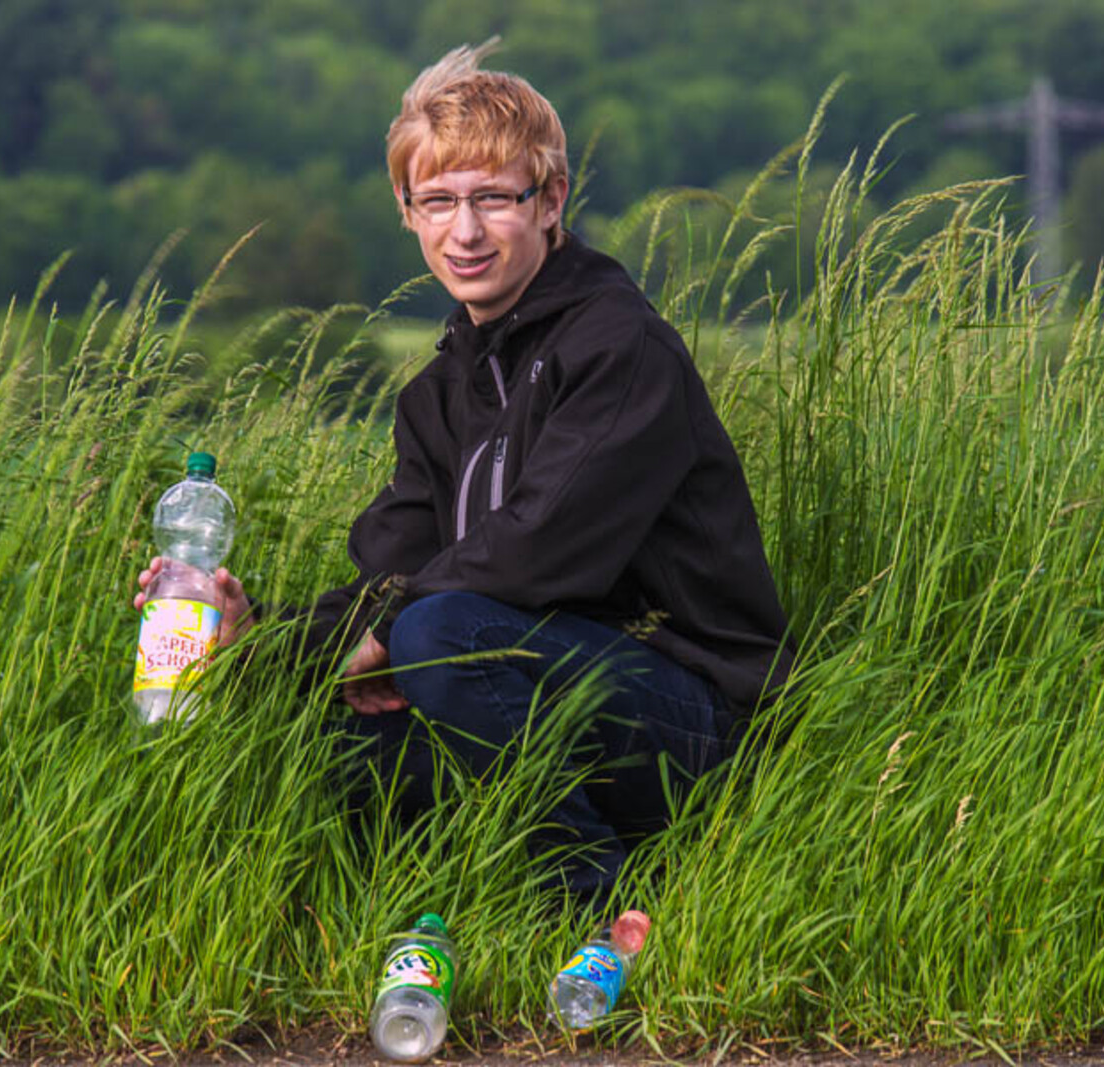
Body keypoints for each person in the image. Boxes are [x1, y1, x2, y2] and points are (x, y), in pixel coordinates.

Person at [136, 41, 793, 899]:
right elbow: (394, 575)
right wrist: (258, 638)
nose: (466, 230)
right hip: (537, 694)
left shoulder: (617, 347)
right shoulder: (440, 393)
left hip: (693, 714)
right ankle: (440, 910)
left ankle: (598, 903)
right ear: (407, 212)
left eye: (494, 198)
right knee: (335, 748)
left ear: (551, 199)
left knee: (435, 632)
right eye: (438, 200)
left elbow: (535, 551)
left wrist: (387, 635)